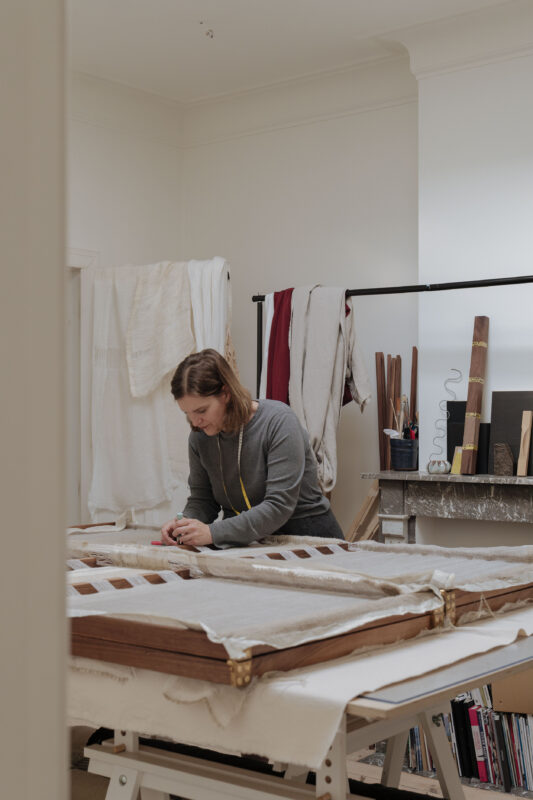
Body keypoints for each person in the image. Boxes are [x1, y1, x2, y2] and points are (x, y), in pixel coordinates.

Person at [161, 349, 344, 547]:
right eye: (187, 414)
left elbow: (278, 507)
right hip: (249, 546)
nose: (195, 422)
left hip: (310, 543)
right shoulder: (200, 437)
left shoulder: (279, 423)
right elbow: (203, 500)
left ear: (226, 394)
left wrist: (212, 532)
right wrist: (183, 525)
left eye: (201, 410)